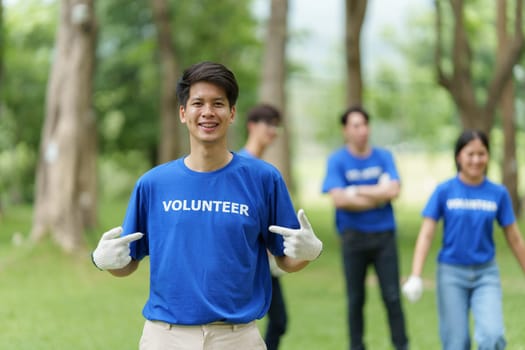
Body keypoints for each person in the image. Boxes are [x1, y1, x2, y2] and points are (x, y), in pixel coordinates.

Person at [91, 61, 323, 350]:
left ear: (232, 112)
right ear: (182, 112)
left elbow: (287, 258)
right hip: (165, 336)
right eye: (198, 103)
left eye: (218, 103)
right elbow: (128, 262)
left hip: (238, 337)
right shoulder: (153, 184)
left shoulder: (263, 180)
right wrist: (104, 261)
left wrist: (310, 253)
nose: (208, 112)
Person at [402, 129, 525, 350]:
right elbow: (427, 233)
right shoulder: (444, 191)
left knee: (492, 336)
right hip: (451, 274)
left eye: (482, 154)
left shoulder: (498, 193)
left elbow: (515, 239)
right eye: (470, 154)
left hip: (486, 274)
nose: (476, 160)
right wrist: (416, 275)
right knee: (456, 343)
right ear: (459, 156)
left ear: (488, 156)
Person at [321, 105, 409, 350]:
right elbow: (339, 199)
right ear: (345, 130)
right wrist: (378, 195)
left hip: (384, 238)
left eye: (365, 125)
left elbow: (394, 190)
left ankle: (402, 345)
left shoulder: (384, 156)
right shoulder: (337, 160)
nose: (362, 131)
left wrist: (355, 190)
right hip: (353, 239)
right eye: (356, 125)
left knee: (392, 297)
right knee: (355, 299)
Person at [238, 103, 288, 350]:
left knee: (279, 321)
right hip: (249, 258)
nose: (273, 130)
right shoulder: (242, 166)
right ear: (251, 126)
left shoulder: (265, 169)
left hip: (267, 259)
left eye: (275, 125)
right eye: (267, 123)